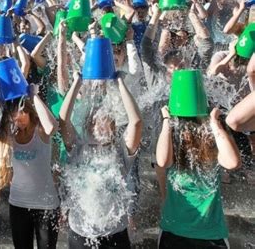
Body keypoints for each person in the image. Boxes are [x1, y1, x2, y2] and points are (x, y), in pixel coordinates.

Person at [59, 71, 142, 248]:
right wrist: (77, 83)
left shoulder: (120, 151)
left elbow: (136, 122)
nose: (102, 125)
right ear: (89, 124)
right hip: (81, 232)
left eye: (107, 120)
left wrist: (120, 83)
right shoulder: (78, 148)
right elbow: (63, 120)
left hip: (115, 234)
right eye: (98, 120)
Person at [0, 84, 60, 249]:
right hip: (18, 205)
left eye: (22, 112)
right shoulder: (8, 136)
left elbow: (52, 126)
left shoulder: (40, 131)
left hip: (46, 206)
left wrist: (34, 96)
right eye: (14, 114)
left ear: (29, 111)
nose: (18, 117)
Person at [156, 106, 241, 249]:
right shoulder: (174, 148)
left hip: (210, 235)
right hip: (174, 233)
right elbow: (162, 161)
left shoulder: (214, 148)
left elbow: (233, 163)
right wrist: (166, 121)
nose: (187, 133)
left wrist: (214, 123)